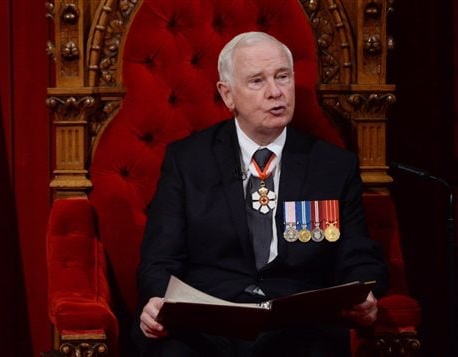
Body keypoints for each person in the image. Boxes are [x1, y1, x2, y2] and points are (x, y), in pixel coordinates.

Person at [133, 31, 388, 356]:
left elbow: (359, 256)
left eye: (283, 76)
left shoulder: (332, 166)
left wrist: (365, 292)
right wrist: (157, 301)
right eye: (257, 81)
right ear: (228, 95)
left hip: (297, 324)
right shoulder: (187, 161)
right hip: (208, 322)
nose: (275, 92)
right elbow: (159, 259)